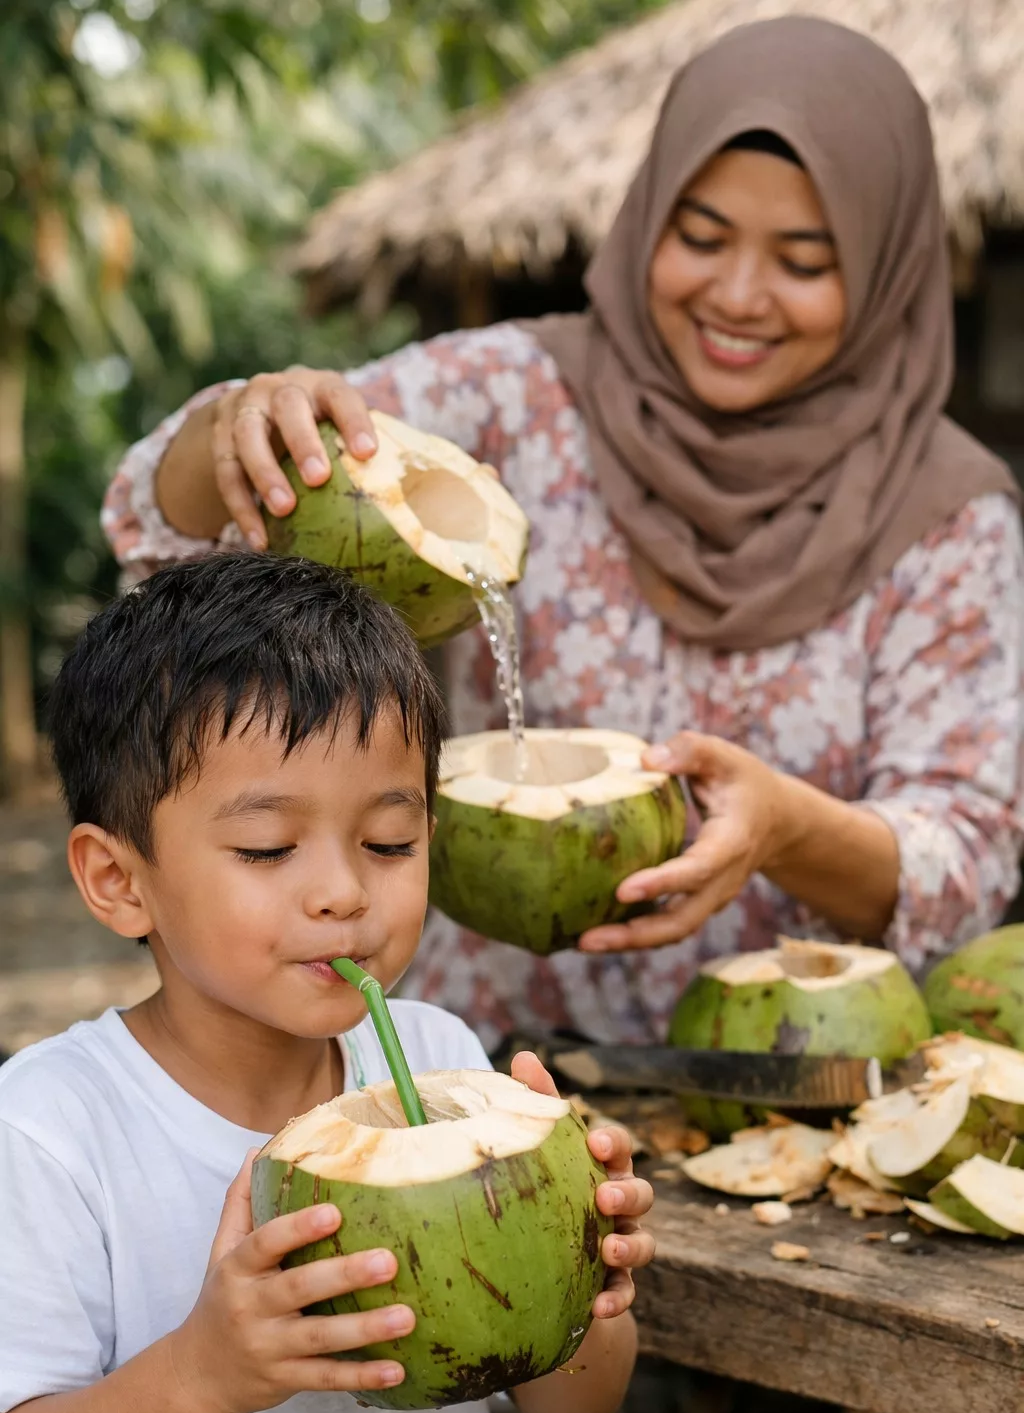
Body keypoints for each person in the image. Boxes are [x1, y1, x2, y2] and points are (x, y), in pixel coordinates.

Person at [101, 16, 1024, 1054]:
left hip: (789, 1076)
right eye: (701, 238)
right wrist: (238, 428)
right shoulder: (514, 395)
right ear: (644, 222)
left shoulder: (947, 515)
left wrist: (787, 829)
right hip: (456, 1059)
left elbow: (969, 855)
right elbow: (168, 539)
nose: (736, 294)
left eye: (803, 261)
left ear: (886, 272)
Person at [0, 553, 653, 1413]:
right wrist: (203, 1373)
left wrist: (581, 1277)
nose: (345, 892)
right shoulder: (50, 1133)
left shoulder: (441, 1061)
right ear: (119, 880)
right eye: (267, 849)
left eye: (389, 842)